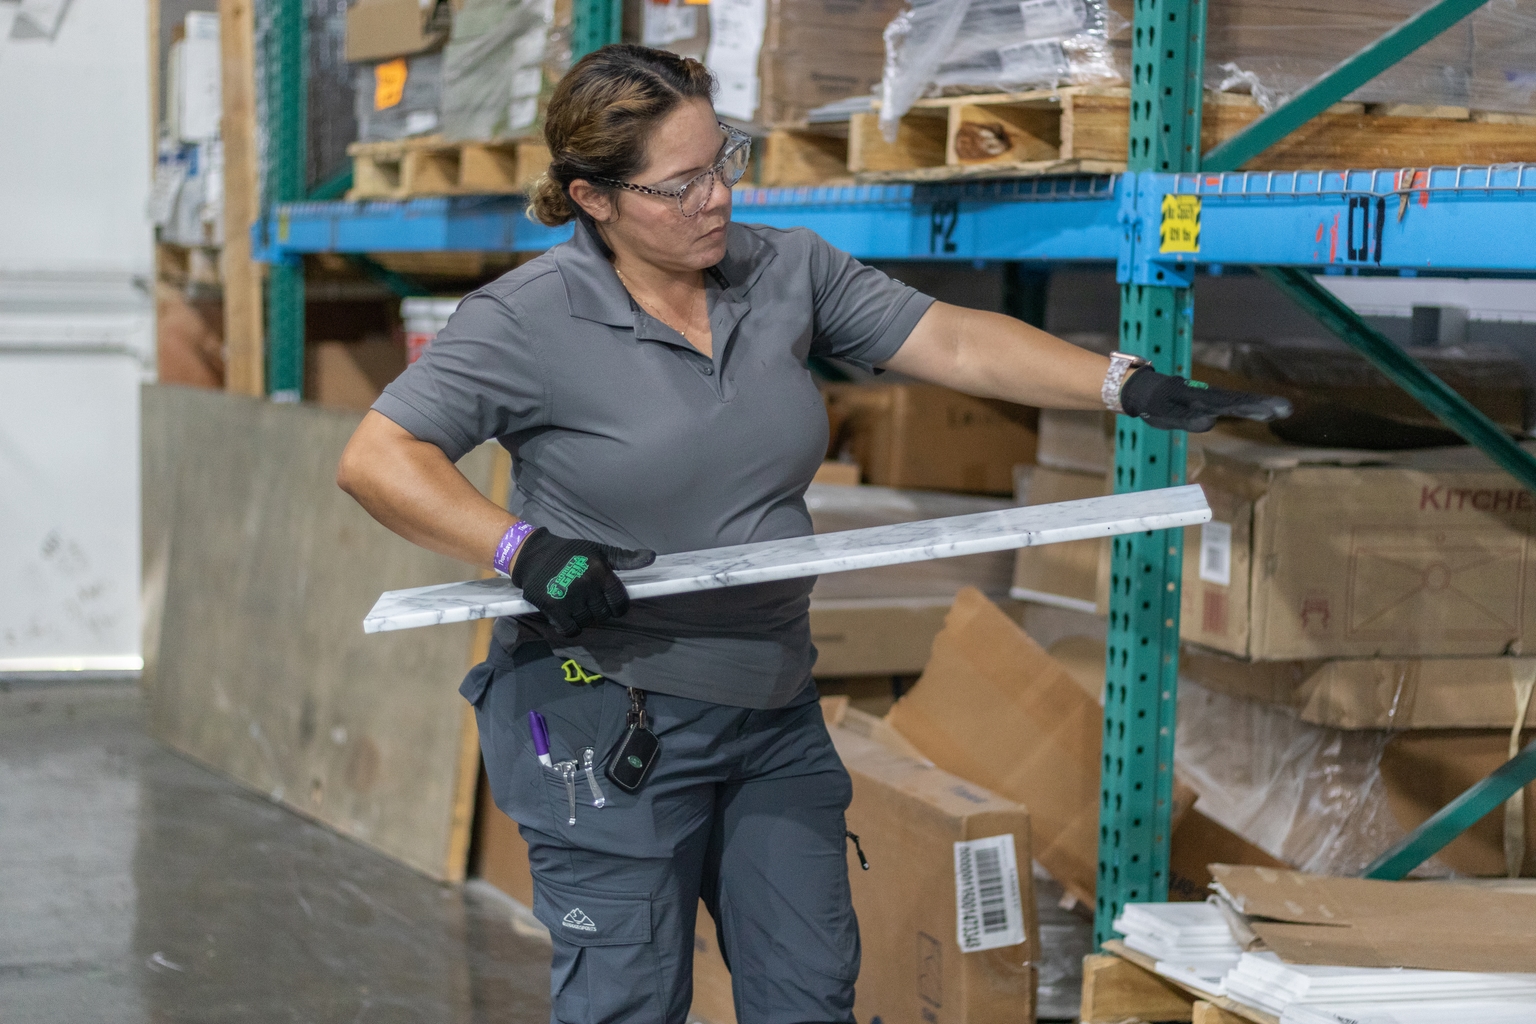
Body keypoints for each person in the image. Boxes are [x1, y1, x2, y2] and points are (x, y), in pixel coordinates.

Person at [337, 44, 1288, 1024]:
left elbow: (952, 338)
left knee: (810, 995)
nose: (717, 197)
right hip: (607, 713)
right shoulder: (527, 319)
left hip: (772, 706)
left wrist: (1127, 384)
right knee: (628, 1001)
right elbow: (378, 456)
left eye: (723, 160)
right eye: (679, 184)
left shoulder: (780, 268)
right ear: (594, 198)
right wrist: (521, 549)